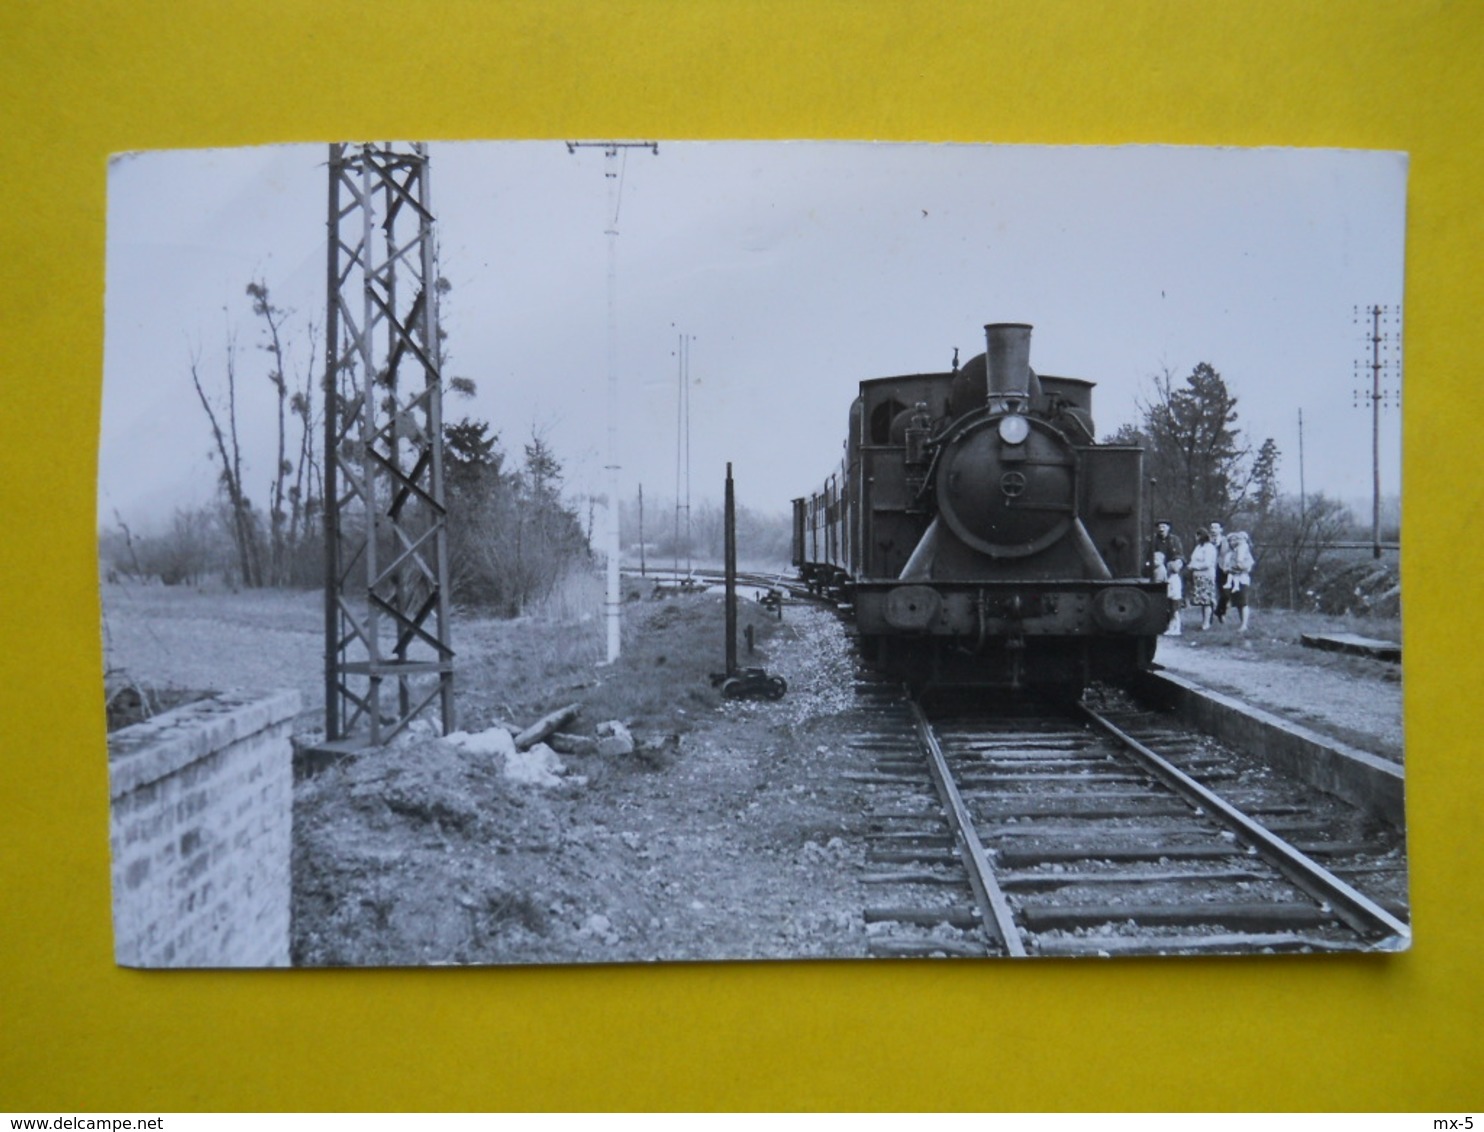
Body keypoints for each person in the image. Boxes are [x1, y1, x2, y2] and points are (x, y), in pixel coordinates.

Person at [1224, 530, 1256, 631]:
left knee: (1243, 602)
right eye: (1231, 541)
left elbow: (1249, 567)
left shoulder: (1245, 552)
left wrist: (1241, 567)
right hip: (1232, 580)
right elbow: (1225, 567)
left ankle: (1244, 624)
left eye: (1235, 540)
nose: (1233, 542)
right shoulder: (1229, 554)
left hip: (1243, 579)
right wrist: (1230, 569)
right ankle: (1239, 622)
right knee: (1236, 603)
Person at [1188, 528, 1219, 630]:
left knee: (1206, 600)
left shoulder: (1209, 548)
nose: (1196, 538)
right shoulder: (1198, 547)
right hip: (1198, 576)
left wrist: (1194, 566)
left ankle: (1206, 623)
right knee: (1202, 600)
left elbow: (1207, 563)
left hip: (1206, 576)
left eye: (1197, 536)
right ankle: (1204, 621)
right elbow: (1193, 559)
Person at [1209, 521, 1231, 622]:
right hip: (1210, 569)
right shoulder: (1207, 541)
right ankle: (1208, 619)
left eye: (1216, 528)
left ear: (1221, 530)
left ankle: (1220, 611)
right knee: (1210, 594)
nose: (1213, 530)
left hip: (1223, 569)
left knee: (1225, 594)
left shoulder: (1226, 541)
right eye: (1212, 528)